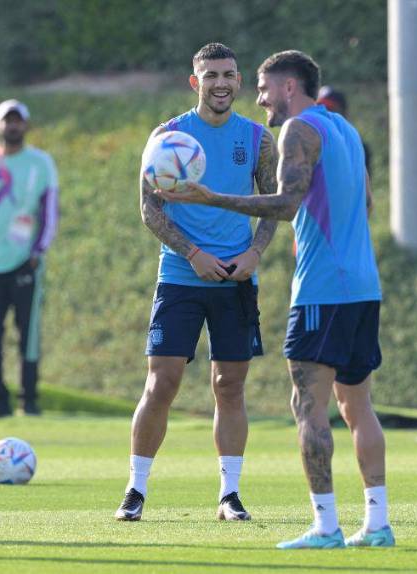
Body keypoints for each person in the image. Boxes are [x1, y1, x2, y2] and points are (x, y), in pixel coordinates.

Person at [158, 50, 393, 549]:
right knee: (358, 407)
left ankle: (326, 526)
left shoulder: (297, 130)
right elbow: (368, 203)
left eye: (264, 88)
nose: (259, 98)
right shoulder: (345, 131)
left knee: (308, 406)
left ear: (289, 87)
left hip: (323, 290)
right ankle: (378, 524)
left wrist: (210, 197)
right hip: (364, 288)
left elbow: (285, 205)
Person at [116, 43, 279, 522]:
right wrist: (193, 254)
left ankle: (229, 494)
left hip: (235, 280)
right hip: (181, 278)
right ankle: (135, 490)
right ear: (196, 82)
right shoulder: (166, 137)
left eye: (228, 74)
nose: (221, 83)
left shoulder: (257, 139)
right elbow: (150, 209)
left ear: (240, 80)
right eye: (211, 75)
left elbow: (271, 204)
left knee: (229, 386)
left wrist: (254, 253)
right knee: (161, 382)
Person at [0, 99, 58, 418]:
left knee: (27, 334)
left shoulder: (41, 163)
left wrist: (37, 252)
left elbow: (49, 209)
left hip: (25, 263)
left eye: (18, 120)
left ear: (26, 125)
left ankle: (29, 400)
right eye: (7, 120)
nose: (12, 125)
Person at [316, 86, 373, 180]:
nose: (325, 114)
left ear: (344, 112)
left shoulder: (358, 147)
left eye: (330, 109)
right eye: (320, 110)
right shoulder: (311, 144)